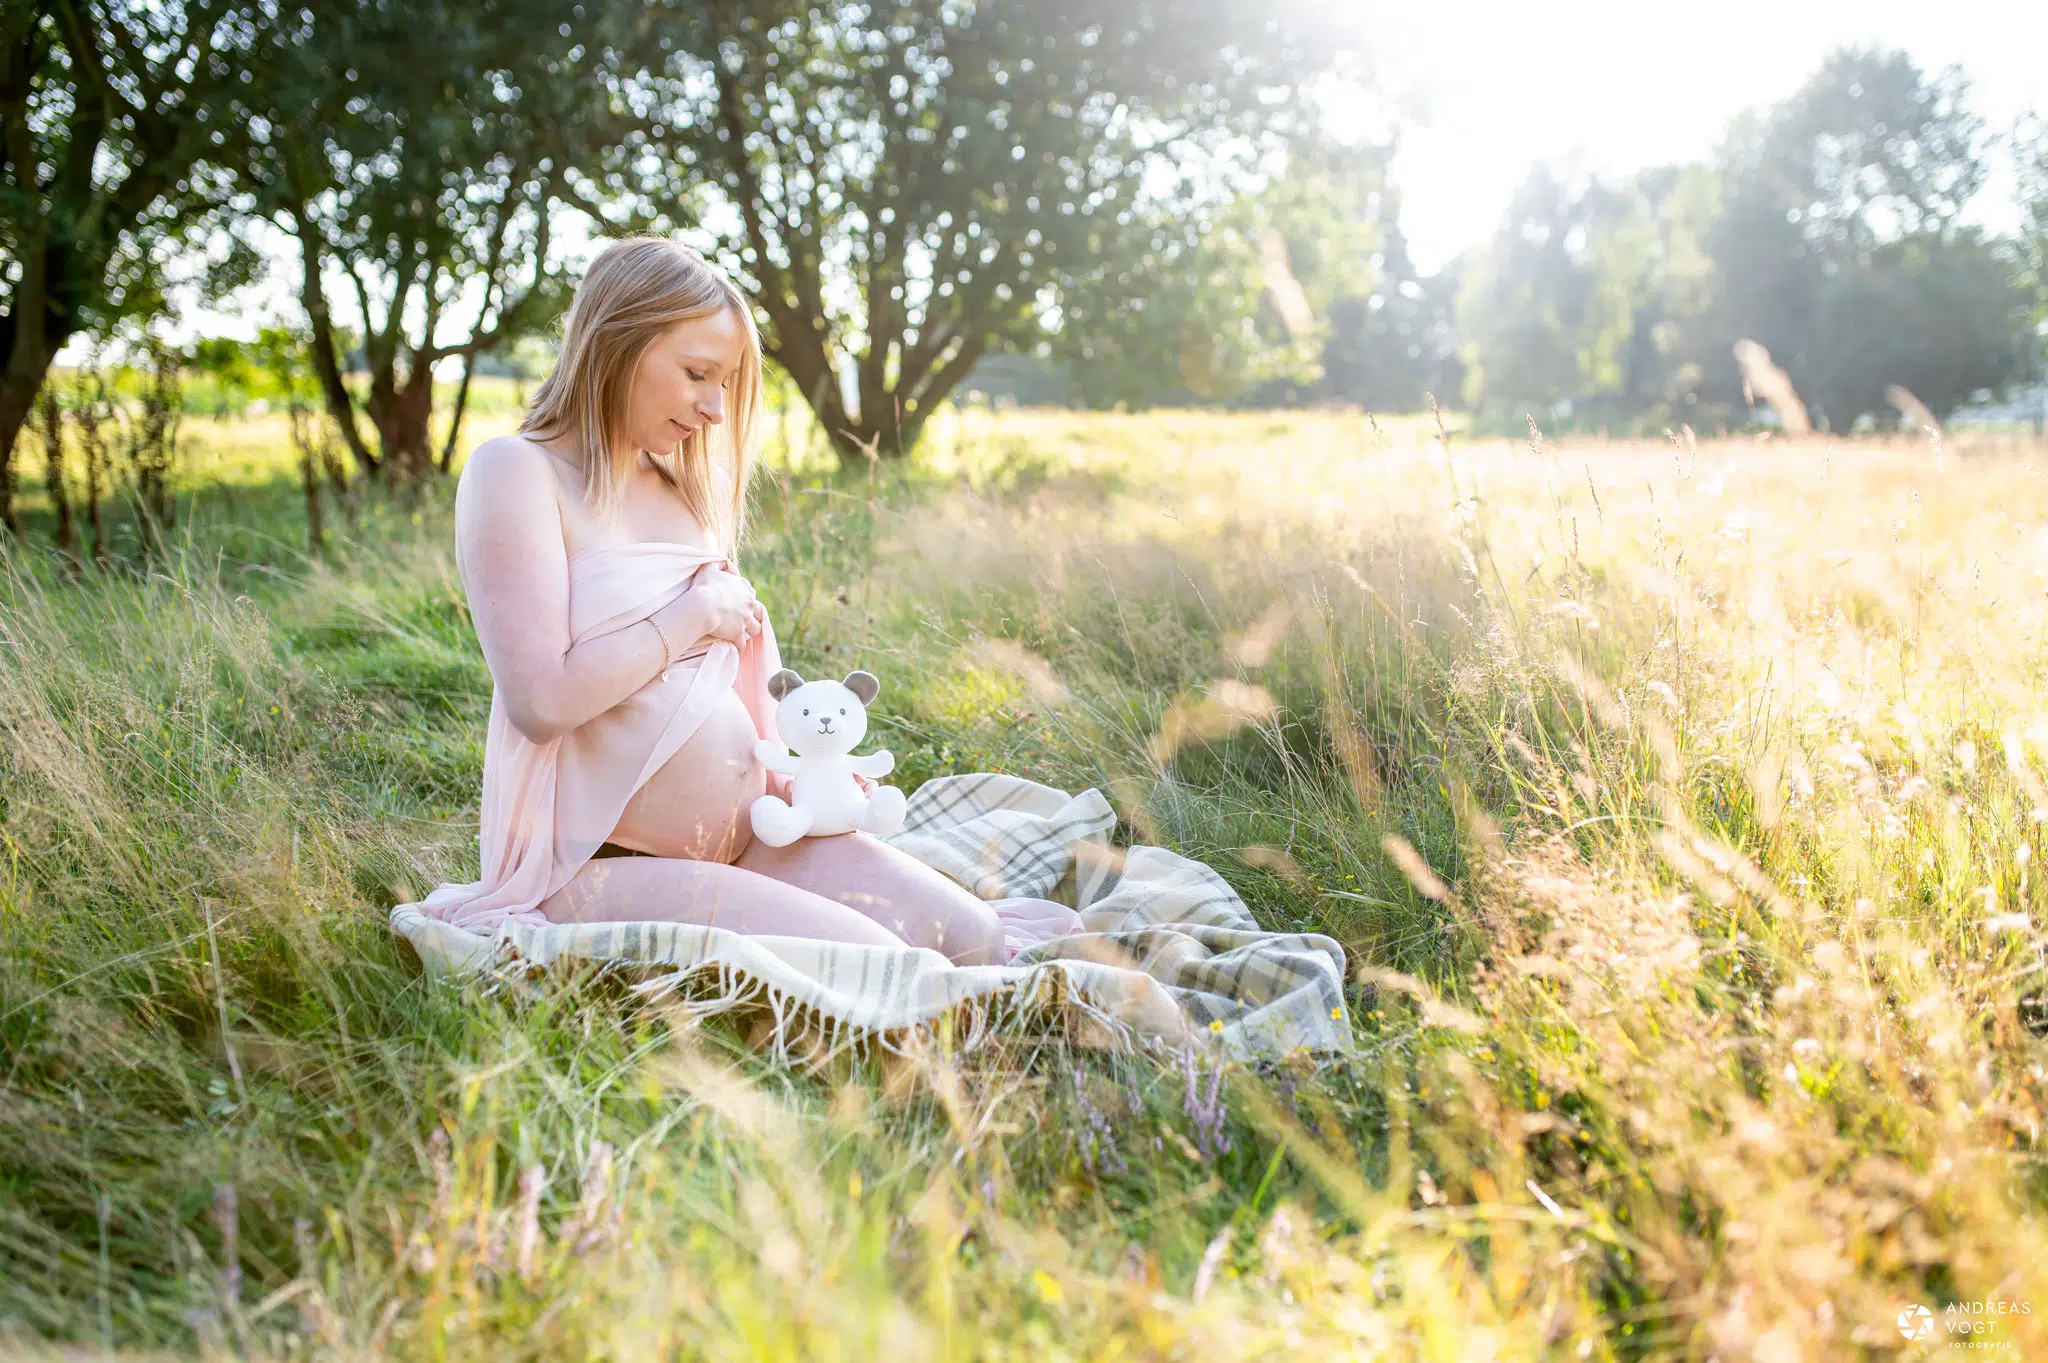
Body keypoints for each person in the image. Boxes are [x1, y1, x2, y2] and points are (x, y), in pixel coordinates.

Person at [401, 236, 1080, 964]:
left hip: (755, 836)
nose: (716, 409)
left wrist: (794, 775)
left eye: (726, 383)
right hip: (599, 864)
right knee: (882, 961)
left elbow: (718, 686)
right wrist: (689, 615)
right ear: (616, 344)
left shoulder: (678, 489)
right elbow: (541, 701)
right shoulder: (518, 472)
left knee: (975, 938)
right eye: (698, 374)